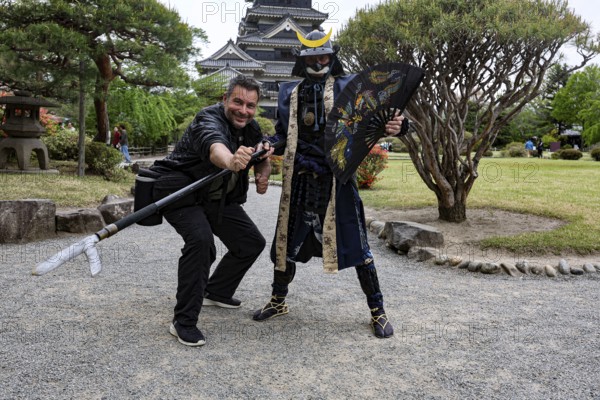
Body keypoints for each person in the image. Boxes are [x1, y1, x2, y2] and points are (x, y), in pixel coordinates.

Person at [252, 29, 408, 338]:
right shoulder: (288, 93)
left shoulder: (349, 86)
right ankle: (278, 300)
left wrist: (399, 125)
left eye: (323, 55)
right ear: (302, 59)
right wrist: (269, 144)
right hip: (298, 179)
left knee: (359, 246)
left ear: (332, 57)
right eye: (311, 56)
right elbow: (284, 134)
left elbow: (382, 117)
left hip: (337, 179)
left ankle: (377, 310)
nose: (318, 60)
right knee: (285, 242)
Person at [149, 75, 272, 347]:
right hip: (180, 190)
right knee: (202, 242)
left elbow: (262, 157)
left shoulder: (251, 129)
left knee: (251, 242)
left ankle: (216, 290)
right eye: (237, 102)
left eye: (250, 105)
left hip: (215, 197)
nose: (243, 110)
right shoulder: (208, 119)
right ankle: (183, 321)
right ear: (225, 99)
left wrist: (263, 172)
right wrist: (231, 160)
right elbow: (215, 146)